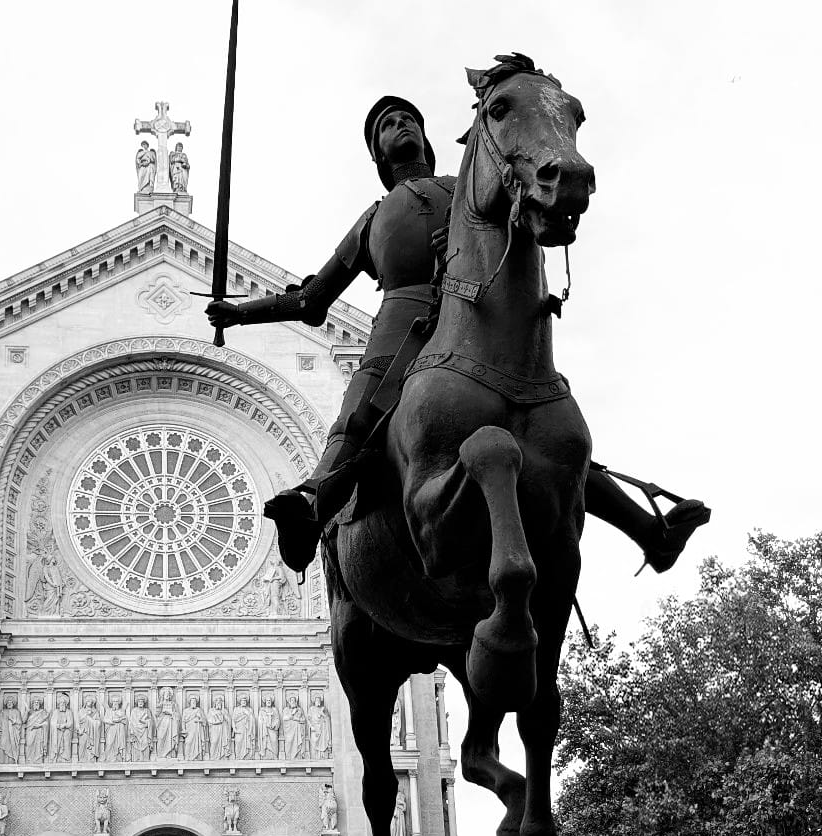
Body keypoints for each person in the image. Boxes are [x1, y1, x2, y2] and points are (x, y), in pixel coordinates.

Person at [207, 96, 709, 576]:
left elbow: (518, 223)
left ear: (426, 139)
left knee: (546, 426)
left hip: (473, 314)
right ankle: (314, 504)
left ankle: (651, 532)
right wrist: (239, 313)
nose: (400, 125)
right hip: (399, 330)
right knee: (359, 414)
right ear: (379, 155)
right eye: (387, 126)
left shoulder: (466, 189)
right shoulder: (373, 218)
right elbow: (313, 299)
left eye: (408, 119)